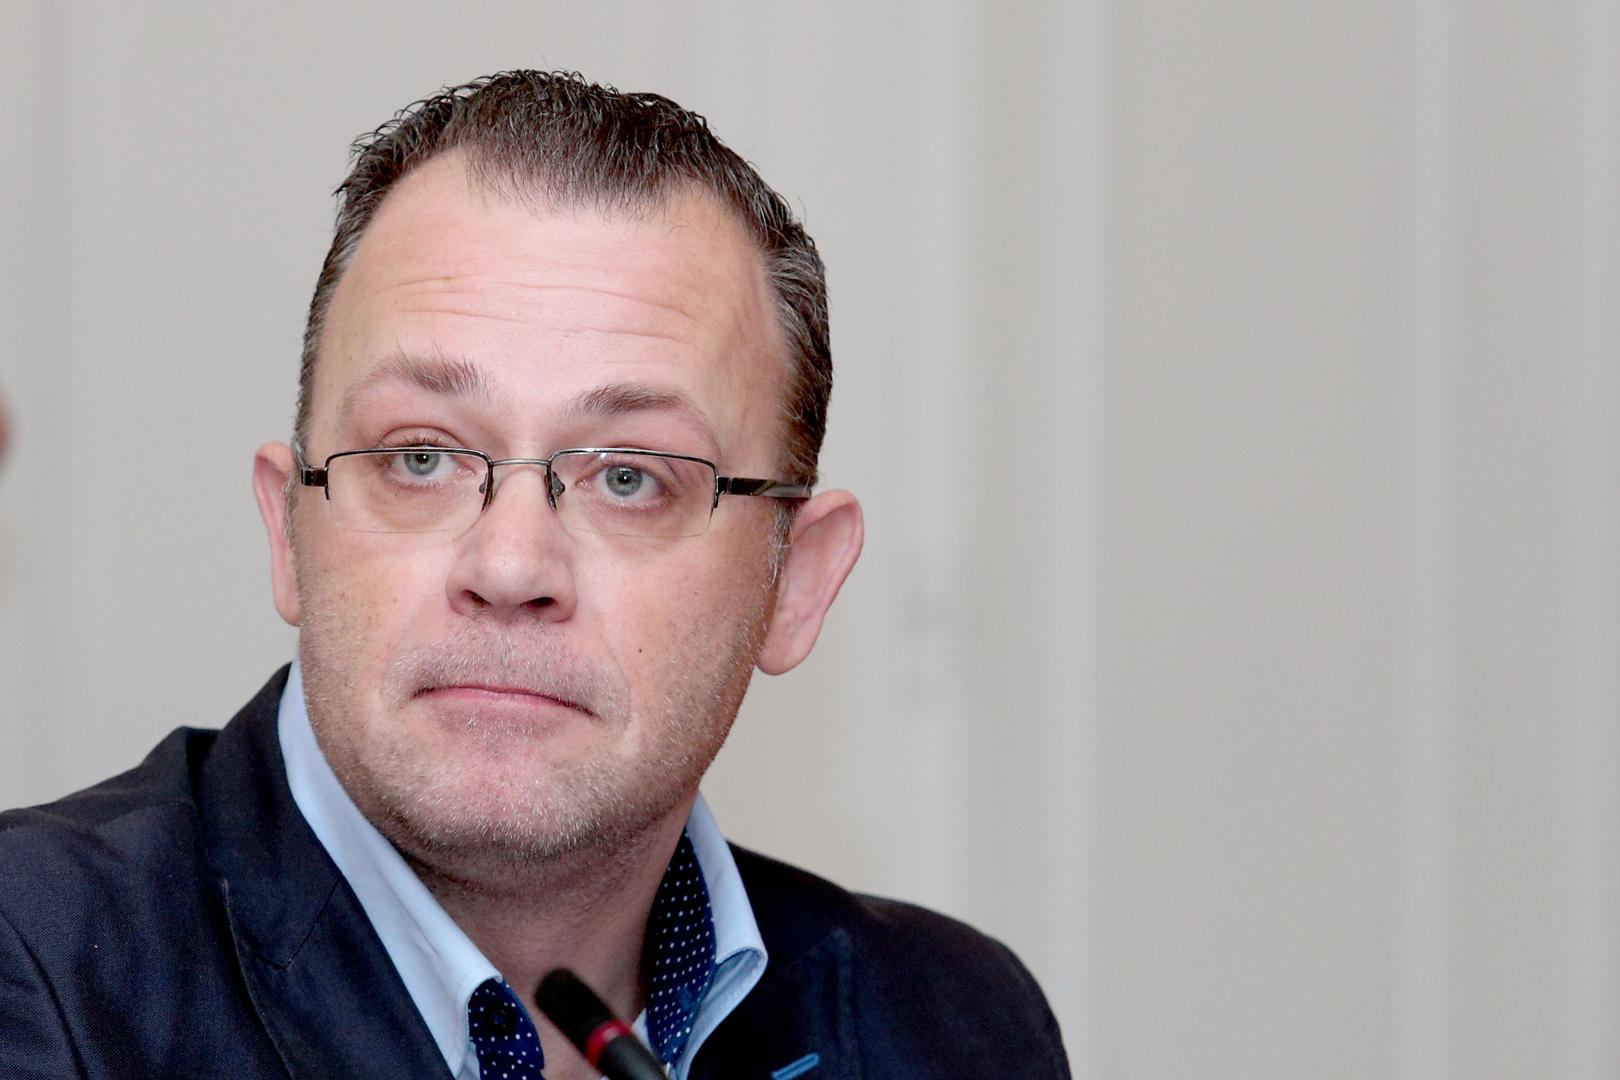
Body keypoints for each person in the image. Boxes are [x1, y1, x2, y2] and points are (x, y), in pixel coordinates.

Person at [0, 71, 1069, 1079]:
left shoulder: (954, 1025)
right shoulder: (37, 971)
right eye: (422, 457)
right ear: (289, 530)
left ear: (798, 585)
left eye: (630, 479)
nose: (510, 566)